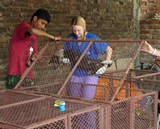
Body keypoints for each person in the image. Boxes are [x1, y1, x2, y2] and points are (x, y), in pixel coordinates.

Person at [63, 16, 112, 128]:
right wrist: (65, 58)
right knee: (76, 103)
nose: (76, 33)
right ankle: (80, 127)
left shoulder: (92, 38)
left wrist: (105, 65)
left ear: (84, 28)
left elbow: (108, 49)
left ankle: (91, 127)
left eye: (78, 30)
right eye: (74, 30)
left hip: (90, 74)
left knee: (87, 102)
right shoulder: (71, 38)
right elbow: (64, 51)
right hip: (75, 73)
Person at [6, 9, 60, 89]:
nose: (43, 27)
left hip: (28, 74)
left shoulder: (35, 37)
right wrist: (53, 37)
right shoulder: (23, 26)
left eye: (45, 25)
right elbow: (31, 30)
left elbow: (33, 54)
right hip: (15, 73)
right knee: (14, 100)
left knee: (31, 100)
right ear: (35, 18)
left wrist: (36, 58)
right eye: (42, 23)